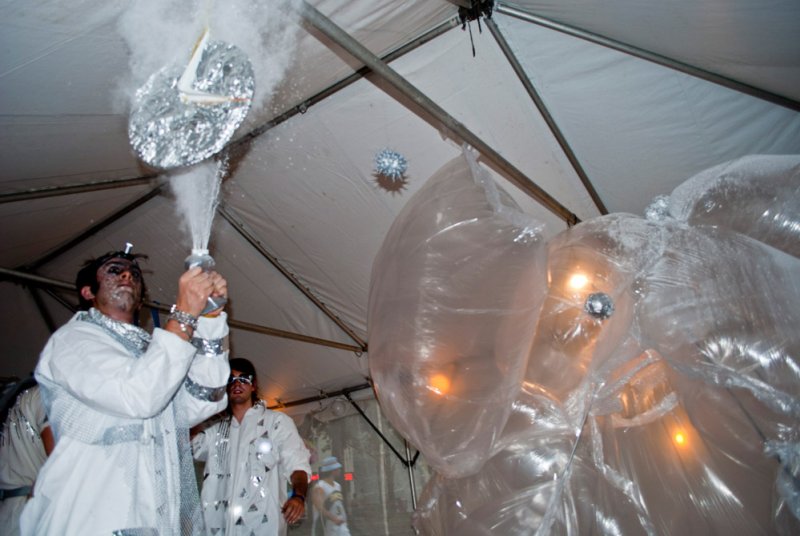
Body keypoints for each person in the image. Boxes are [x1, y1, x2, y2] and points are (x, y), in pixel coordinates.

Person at [20, 246, 230, 536]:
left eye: (134, 273)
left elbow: (204, 400)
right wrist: (183, 314)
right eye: (114, 270)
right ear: (88, 292)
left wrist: (210, 319)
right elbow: (139, 395)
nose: (127, 274)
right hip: (90, 521)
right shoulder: (73, 340)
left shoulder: (151, 352)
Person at [192, 357, 311, 535]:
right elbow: (188, 446)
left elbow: (297, 464)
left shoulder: (276, 422)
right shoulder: (215, 431)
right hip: (219, 528)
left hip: (262, 527)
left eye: (244, 378)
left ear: (253, 385)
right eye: (230, 379)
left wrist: (298, 496)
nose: (237, 383)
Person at [0, 380, 54, 536]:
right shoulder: (52, 397)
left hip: (16, 511)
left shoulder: (37, 394)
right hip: (27, 513)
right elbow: (66, 464)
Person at [312, 456, 351, 536]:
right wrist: (334, 519)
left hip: (340, 527)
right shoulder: (320, 487)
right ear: (333, 471)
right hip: (326, 528)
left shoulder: (337, 486)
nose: (340, 470)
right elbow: (320, 508)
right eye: (338, 469)